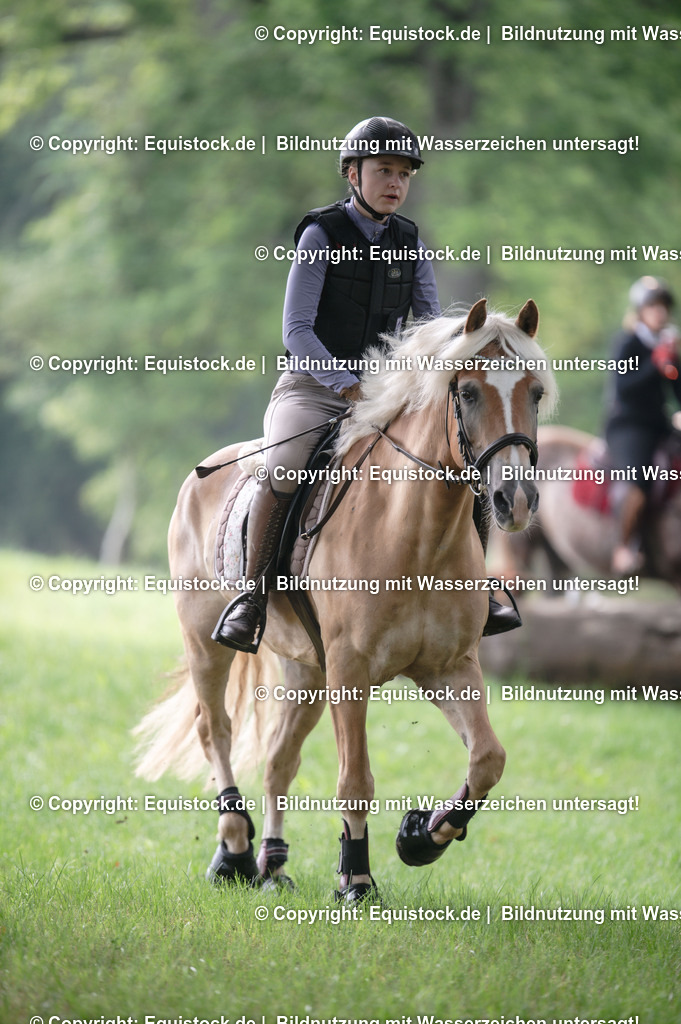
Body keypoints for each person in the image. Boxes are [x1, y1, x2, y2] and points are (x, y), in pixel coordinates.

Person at [212, 115, 520, 653]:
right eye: (384, 170)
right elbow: (296, 330)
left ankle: (480, 588)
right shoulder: (320, 233)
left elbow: (428, 329)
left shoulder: (411, 241)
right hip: (311, 387)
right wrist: (344, 381)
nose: (396, 183)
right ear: (352, 173)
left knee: (464, 461)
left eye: (404, 173)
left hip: (383, 393)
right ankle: (253, 598)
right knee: (285, 467)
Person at [604, 276, 681, 574]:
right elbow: (624, 388)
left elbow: (675, 391)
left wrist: (671, 365)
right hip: (627, 426)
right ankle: (623, 547)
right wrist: (655, 365)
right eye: (653, 306)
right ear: (640, 310)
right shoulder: (628, 342)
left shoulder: (667, 347)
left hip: (659, 424)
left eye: (663, 306)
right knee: (637, 483)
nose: (659, 312)